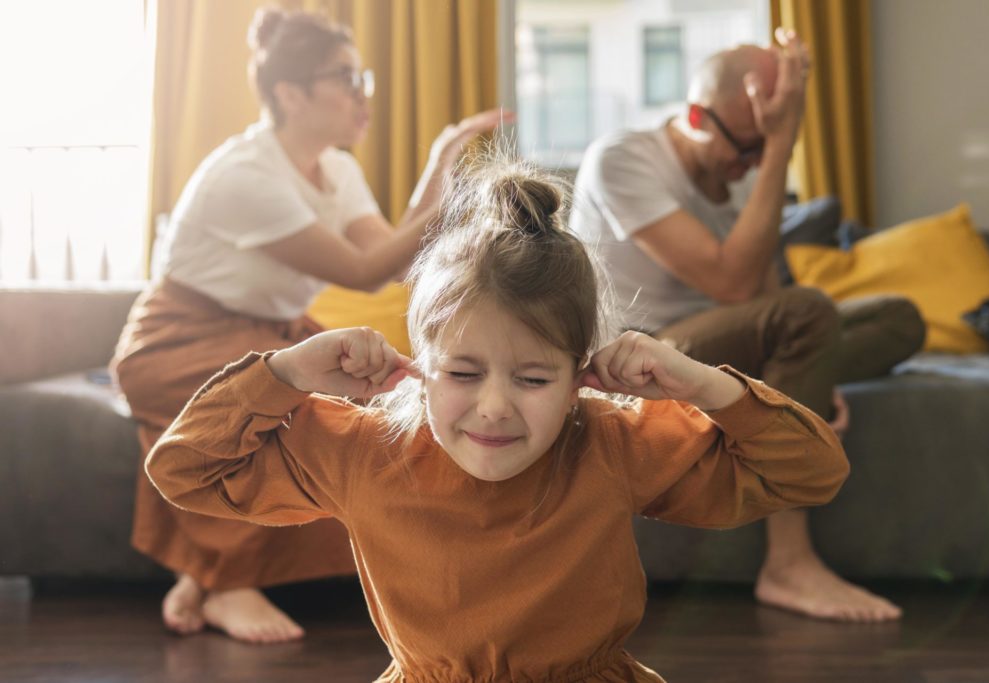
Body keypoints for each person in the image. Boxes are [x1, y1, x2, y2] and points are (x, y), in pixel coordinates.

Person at [144, 155, 849, 681]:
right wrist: (287, 372)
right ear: (419, 364)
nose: (494, 407)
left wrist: (697, 383)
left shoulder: (611, 439)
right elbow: (185, 469)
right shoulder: (365, 447)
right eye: (462, 372)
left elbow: (813, 470)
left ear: (579, 378)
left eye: (534, 377)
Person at [110, 7, 510, 644]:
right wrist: (441, 169)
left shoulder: (337, 167)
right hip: (180, 336)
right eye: (345, 78)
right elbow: (364, 269)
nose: (362, 95)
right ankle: (226, 582)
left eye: (364, 78)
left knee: (367, 414)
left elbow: (392, 262)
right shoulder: (246, 174)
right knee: (279, 412)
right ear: (290, 94)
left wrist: (439, 164)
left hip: (266, 329)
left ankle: (204, 573)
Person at [568, 28, 926, 623]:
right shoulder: (623, 158)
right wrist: (783, 144)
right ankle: (788, 563)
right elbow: (731, 282)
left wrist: (807, 365)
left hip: (721, 338)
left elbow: (764, 298)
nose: (756, 164)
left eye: (766, 150)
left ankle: (789, 386)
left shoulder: (737, 180)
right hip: (642, 352)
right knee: (809, 314)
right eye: (748, 146)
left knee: (898, 318)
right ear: (694, 116)